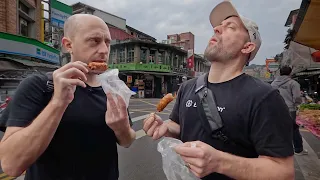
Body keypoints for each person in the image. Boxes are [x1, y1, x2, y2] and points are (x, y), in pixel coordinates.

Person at [143, 1, 294, 180]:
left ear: (247, 47)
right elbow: (179, 125)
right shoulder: (188, 87)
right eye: (217, 26)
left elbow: (283, 172)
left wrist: (219, 162)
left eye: (230, 27)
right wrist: (166, 128)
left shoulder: (264, 97)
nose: (216, 29)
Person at [0, 14, 136, 179]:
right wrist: (58, 102)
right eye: (94, 40)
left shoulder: (113, 89)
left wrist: (121, 128)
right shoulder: (39, 86)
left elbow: (127, 141)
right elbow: (11, 165)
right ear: (68, 45)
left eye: (107, 42)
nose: (104, 50)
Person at [271, 66, 308, 155]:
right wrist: (296, 105)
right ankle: (298, 149)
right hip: (290, 109)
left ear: (280, 73)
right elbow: (297, 97)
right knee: (293, 129)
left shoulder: (273, 84)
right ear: (290, 73)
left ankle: (279, 149)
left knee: (278, 128)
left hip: (276, 109)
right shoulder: (293, 83)